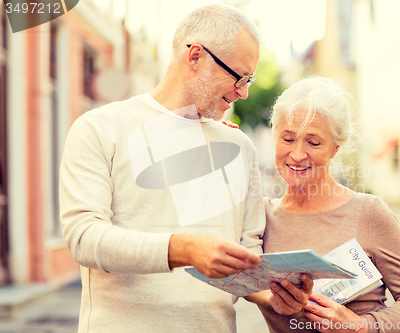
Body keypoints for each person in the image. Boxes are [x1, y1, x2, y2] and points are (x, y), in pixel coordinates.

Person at [59, 4, 310, 332]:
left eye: (250, 79)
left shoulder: (239, 147)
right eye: (239, 76)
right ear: (195, 57)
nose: (244, 92)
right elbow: (85, 237)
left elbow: (247, 253)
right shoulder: (99, 128)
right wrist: (184, 249)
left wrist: (275, 296)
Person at [252, 76, 400, 332]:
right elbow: (229, 279)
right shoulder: (260, 218)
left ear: (335, 148)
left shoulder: (369, 213)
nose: (296, 154)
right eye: (288, 138)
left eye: (313, 142)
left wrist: (360, 325)